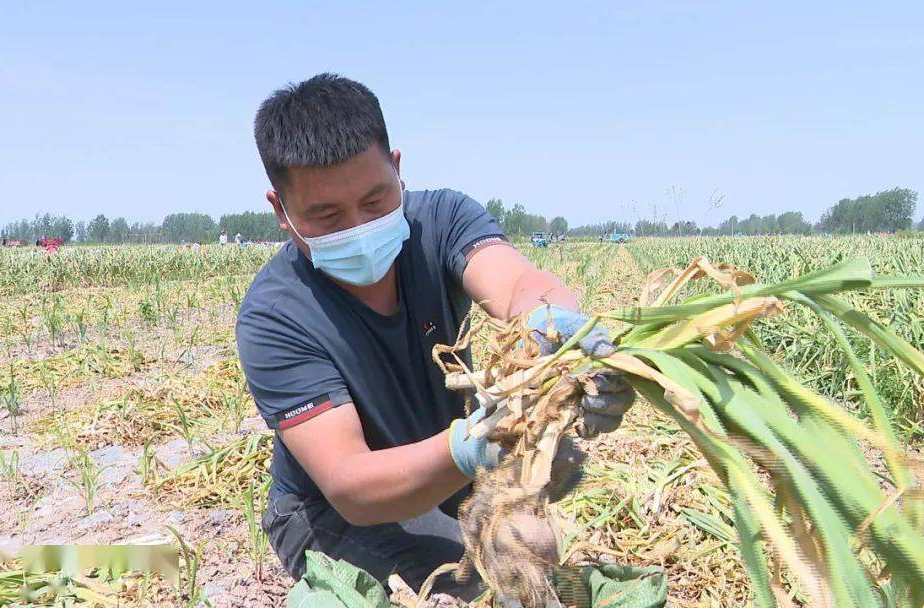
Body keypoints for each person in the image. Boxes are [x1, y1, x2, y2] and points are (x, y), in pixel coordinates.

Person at [235, 74, 635, 598]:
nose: (357, 228)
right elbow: (352, 484)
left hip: (443, 480)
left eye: (375, 201)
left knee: (537, 561)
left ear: (397, 169)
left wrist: (553, 324)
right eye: (327, 217)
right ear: (281, 211)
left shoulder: (440, 219)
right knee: (476, 588)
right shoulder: (275, 316)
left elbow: (514, 281)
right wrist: (474, 447)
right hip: (331, 513)